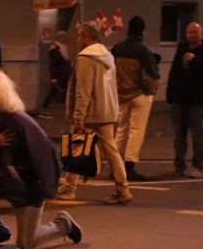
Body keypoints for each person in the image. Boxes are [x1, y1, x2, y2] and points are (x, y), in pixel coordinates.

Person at [0, 70, 81, 249]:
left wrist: (47, 190)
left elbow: (46, 156)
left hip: (27, 187)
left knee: (26, 244)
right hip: (2, 179)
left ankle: (63, 224)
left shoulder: (19, 121)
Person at [57, 22, 133, 204]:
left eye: (79, 36)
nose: (77, 40)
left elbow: (83, 91)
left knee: (76, 149)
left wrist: (78, 117)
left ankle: (69, 188)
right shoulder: (107, 56)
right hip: (107, 112)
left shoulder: (85, 58)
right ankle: (123, 188)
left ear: (86, 38)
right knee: (111, 151)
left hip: (90, 114)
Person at [166, 22, 203, 178]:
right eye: (190, 32)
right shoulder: (181, 51)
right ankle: (179, 166)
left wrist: (195, 60)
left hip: (197, 100)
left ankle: (197, 166)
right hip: (179, 99)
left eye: (195, 32)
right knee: (178, 135)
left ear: (201, 34)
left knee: (197, 134)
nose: (192, 35)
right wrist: (170, 95)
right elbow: (174, 73)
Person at [113, 16, 160, 182]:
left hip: (121, 94)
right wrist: (151, 90)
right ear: (142, 30)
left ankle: (115, 165)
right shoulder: (142, 50)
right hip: (139, 94)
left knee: (121, 129)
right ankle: (129, 165)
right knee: (136, 130)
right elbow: (152, 74)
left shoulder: (117, 48)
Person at [38, 31, 71, 117]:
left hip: (63, 74)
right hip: (60, 74)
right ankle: (44, 108)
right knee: (55, 91)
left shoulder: (61, 48)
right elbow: (54, 64)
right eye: (64, 37)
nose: (65, 39)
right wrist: (53, 78)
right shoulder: (54, 49)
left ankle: (44, 108)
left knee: (57, 91)